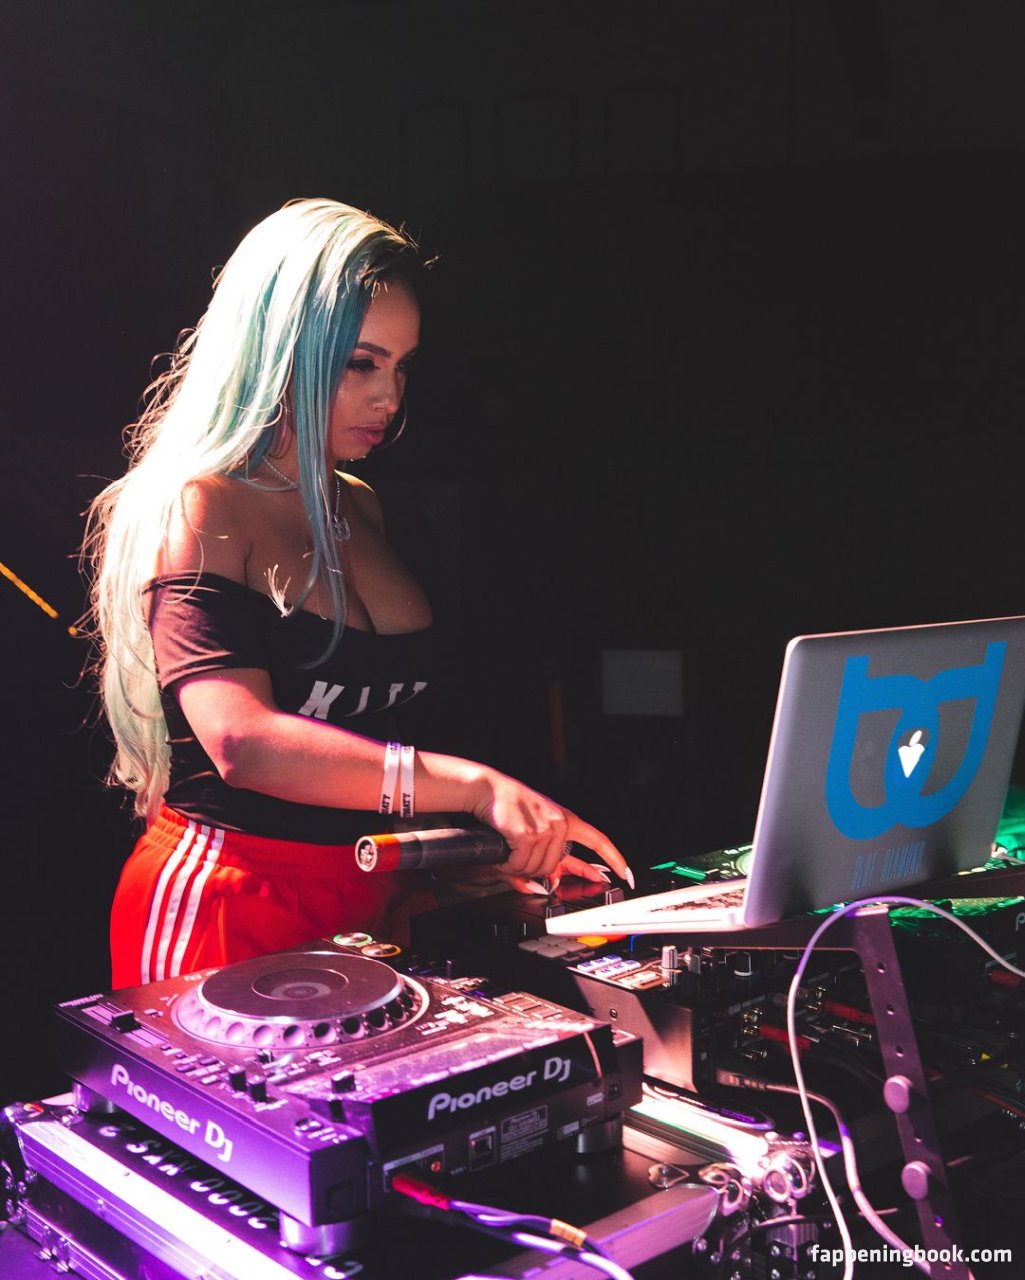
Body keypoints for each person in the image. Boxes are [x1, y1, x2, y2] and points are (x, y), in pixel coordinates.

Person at [82, 197, 633, 990]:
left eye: (402, 366)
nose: (390, 397)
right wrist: (477, 788)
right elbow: (242, 742)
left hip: (371, 890)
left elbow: (369, 736)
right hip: (230, 896)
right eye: (360, 364)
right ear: (278, 350)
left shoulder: (361, 505)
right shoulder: (203, 504)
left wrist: (456, 860)